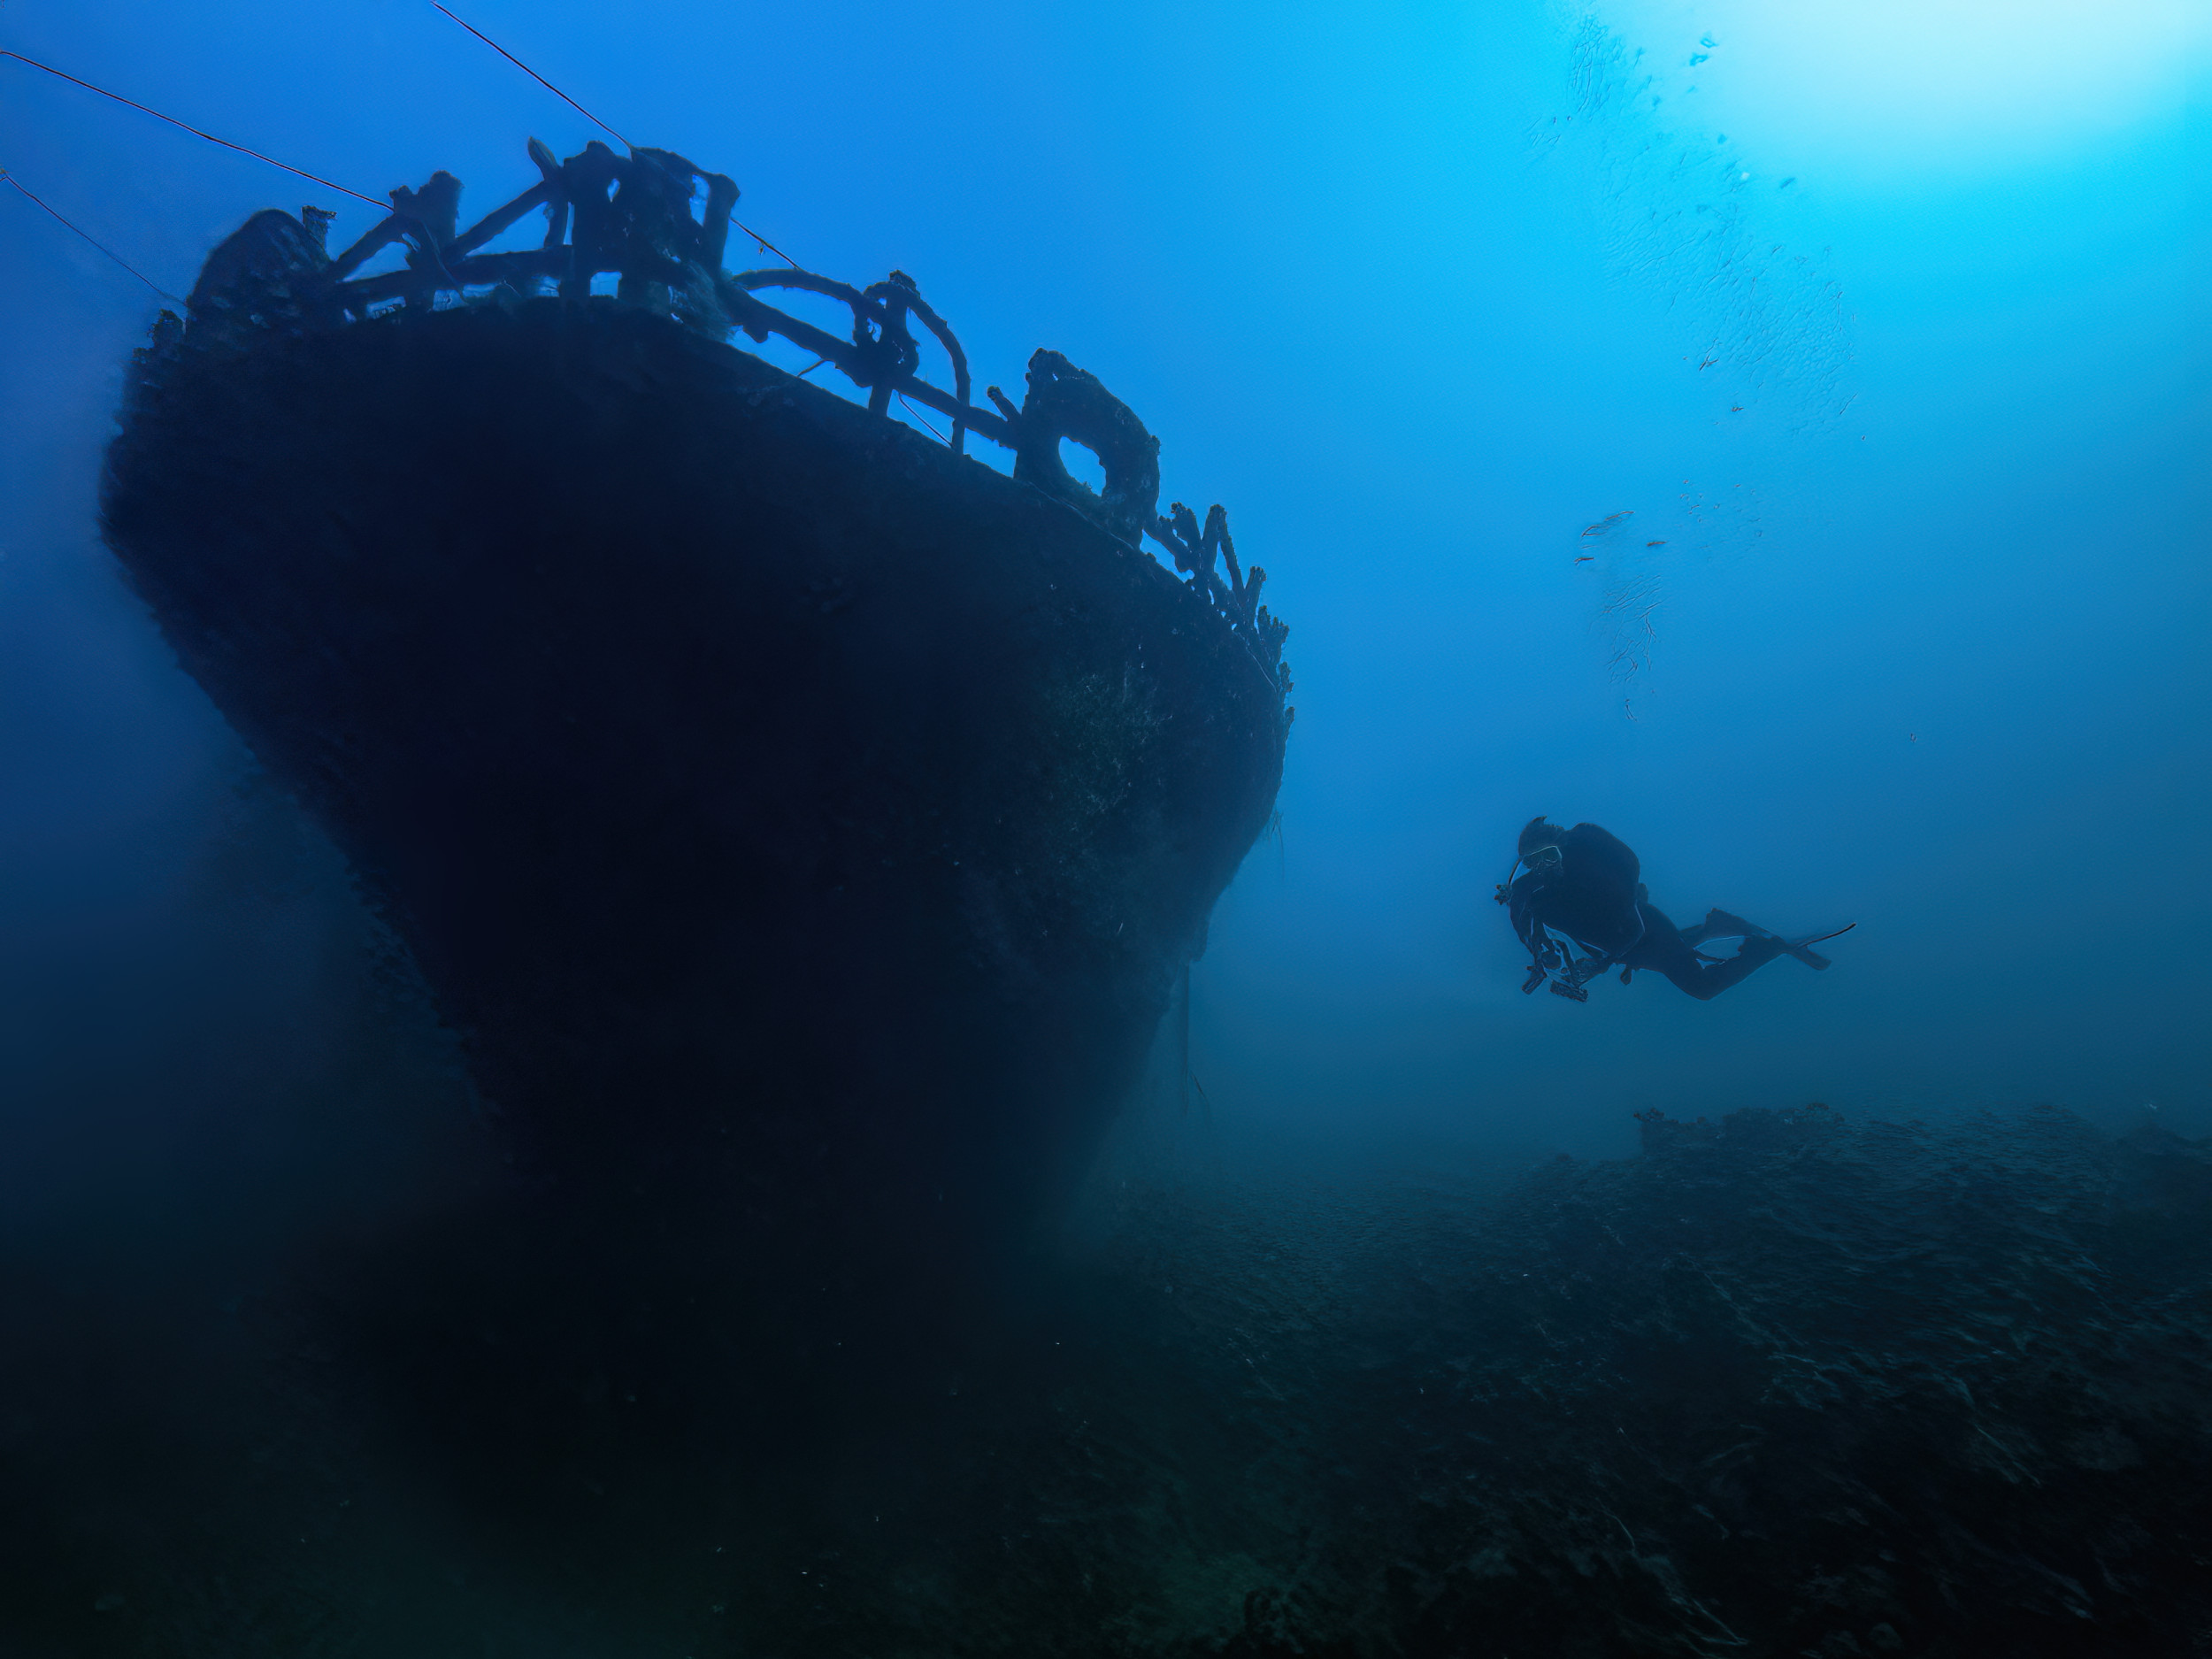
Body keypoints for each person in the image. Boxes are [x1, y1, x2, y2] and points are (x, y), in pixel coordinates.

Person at [1497, 817, 1845, 1002]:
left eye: (1550, 855)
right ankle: (1713, 928)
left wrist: (1600, 965)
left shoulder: (1591, 872)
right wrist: (1543, 963)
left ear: (1565, 850)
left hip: (1644, 932)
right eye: (1533, 862)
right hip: (1626, 948)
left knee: (1702, 988)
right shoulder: (1533, 894)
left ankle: (1767, 948)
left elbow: (1632, 927)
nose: (1544, 866)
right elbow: (1533, 934)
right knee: (1667, 953)